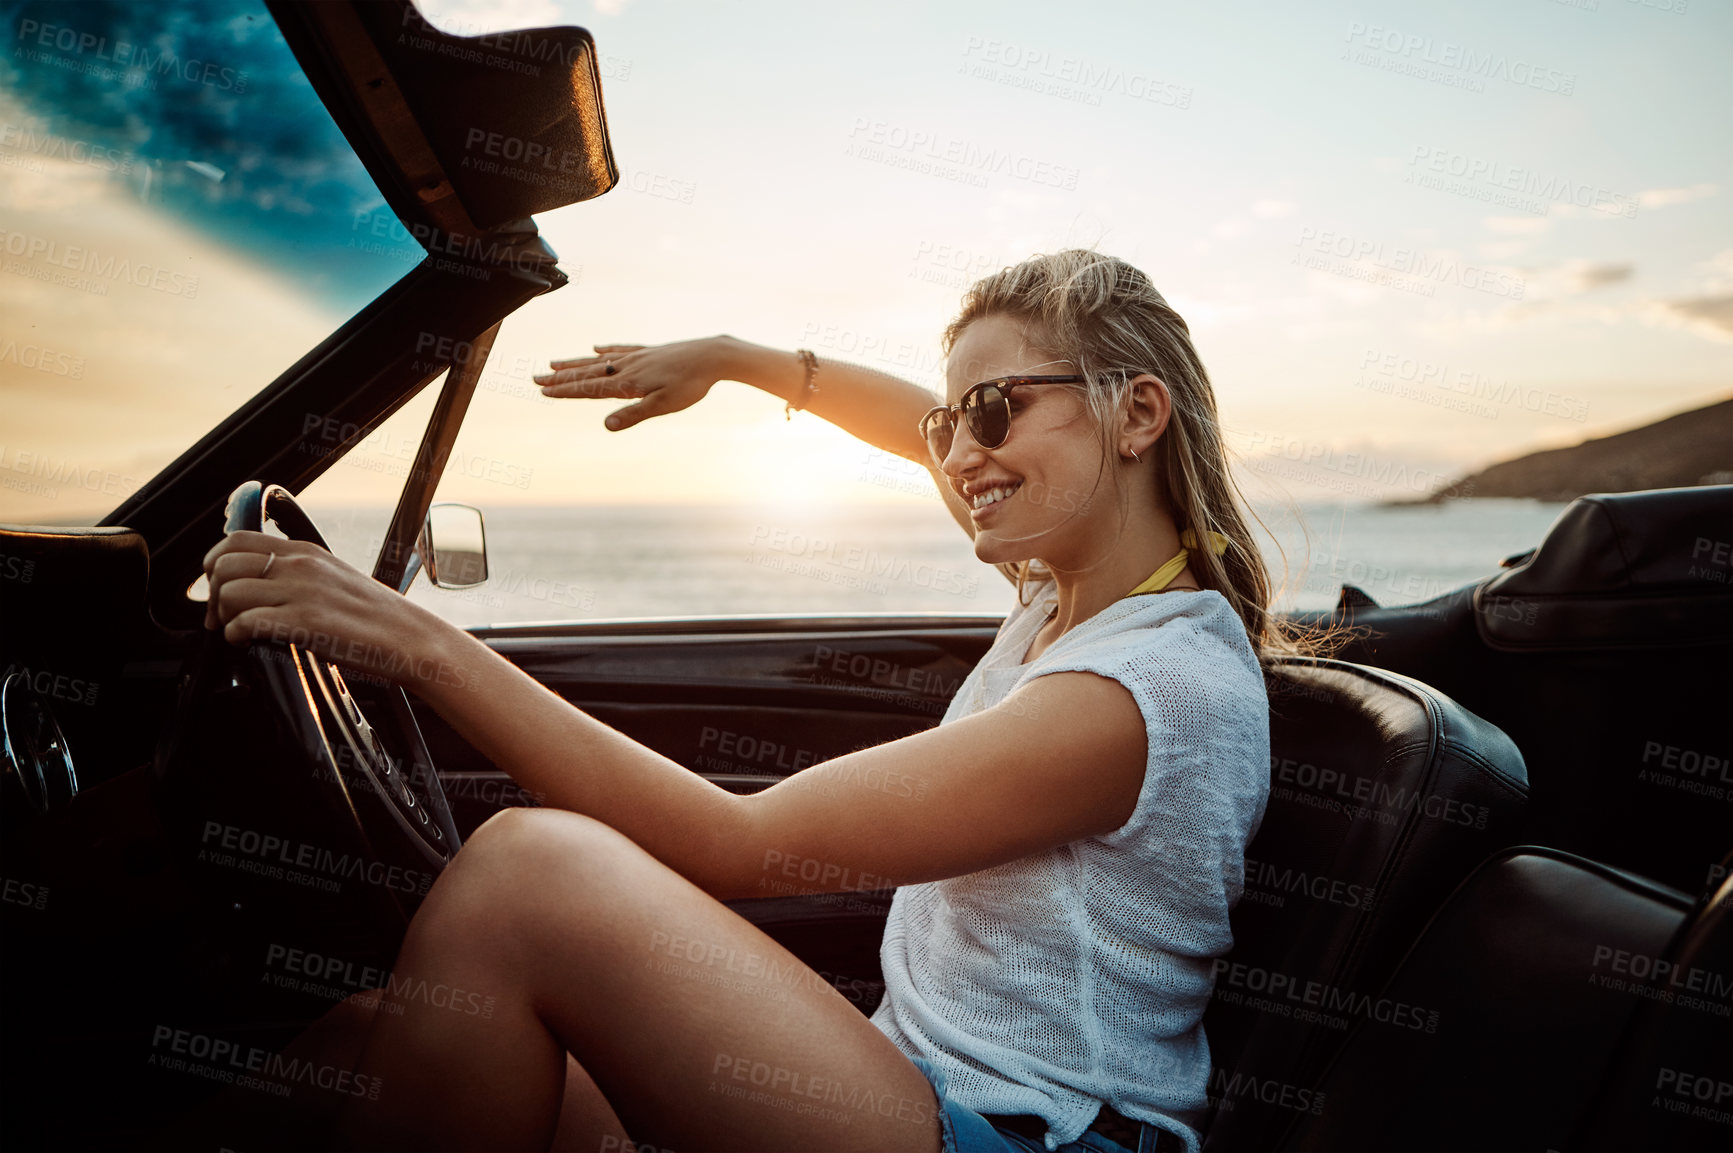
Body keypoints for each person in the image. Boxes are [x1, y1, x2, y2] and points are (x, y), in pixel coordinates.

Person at [202, 249, 1289, 1153]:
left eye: (993, 411)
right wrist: (734, 360)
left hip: (1027, 1135)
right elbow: (915, 421)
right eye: (949, 427)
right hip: (922, 1088)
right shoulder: (1066, 594)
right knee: (375, 1039)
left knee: (525, 876)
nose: (960, 455)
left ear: (1135, 413)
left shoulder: (1141, 691)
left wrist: (419, 642)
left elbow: (736, 842)